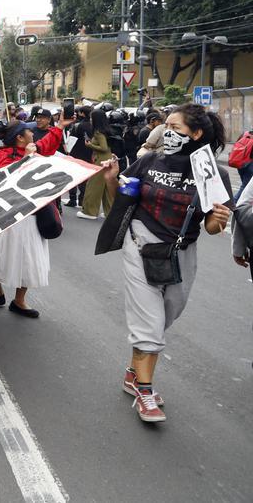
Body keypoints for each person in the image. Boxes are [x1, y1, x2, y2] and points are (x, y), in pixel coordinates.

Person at [98, 104, 231, 423]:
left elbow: (212, 227)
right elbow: (122, 197)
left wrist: (219, 218)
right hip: (141, 245)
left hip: (182, 252)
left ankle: (134, 372)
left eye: (175, 127)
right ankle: (145, 392)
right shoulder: (148, 161)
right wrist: (112, 179)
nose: (166, 132)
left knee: (166, 315)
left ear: (195, 134)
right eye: (166, 126)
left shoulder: (213, 173)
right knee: (150, 324)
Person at [0, 115, 70, 317]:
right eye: (29, 131)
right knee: (7, 257)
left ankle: (19, 300)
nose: (34, 133)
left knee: (31, 259)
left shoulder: (33, 149)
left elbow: (46, 143)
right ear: (20, 138)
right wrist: (28, 159)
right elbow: (10, 179)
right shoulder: (3, 155)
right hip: (11, 217)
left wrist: (59, 127)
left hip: (34, 215)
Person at [77, 110, 114, 220]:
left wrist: (90, 145)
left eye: (92, 118)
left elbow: (103, 148)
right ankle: (109, 212)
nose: (91, 120)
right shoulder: (106, 130)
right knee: (107, 188)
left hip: (101, 160)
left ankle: (90, 212)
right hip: (108, 159)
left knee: (93, 186)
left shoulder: (98, 132)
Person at [65, 105, 93, 207]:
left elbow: (71, 141)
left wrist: (67, 152)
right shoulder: (93, 125)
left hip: (76, 154)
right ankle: (82, 199)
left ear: (82, 113)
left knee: (73, 177)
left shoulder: (77, 126)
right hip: (89, 153)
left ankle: (72, 199)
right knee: (84, 178)